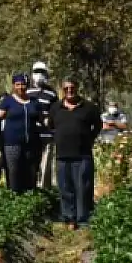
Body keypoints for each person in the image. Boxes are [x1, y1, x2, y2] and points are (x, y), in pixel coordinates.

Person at [48, 76, 103, 229]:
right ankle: (69, 217)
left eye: (72, 87)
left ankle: (83, 218)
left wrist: (89, 139)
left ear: (77, 88)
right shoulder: (55, 108)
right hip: (62, 154)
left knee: (83, 186)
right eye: (66, 88)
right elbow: (51, 126)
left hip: (83, 154)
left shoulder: (89, 107)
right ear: (62, 90)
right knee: (65, 187)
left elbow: (98, 126)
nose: (70, 91)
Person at [0, 73, 41, 193]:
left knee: (30, 173)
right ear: (13, 86)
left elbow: (41, 118)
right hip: (12, 144)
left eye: (23, 84)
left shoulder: (34, 102)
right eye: (18, 84)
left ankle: (30, 201)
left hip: (31, 144)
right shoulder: (8, 101)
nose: (21, 87)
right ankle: (14, 201)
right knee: (14, 173)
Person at [28, 61, 59, 188]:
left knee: (46, 166)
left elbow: (55, 112)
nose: (39, 75)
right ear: (32, 73)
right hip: (31, 135)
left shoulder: (51, 93)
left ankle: (45, 191)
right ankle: (31, 190)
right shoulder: (27, 91)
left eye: (42, 72)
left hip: (47, 135)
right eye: (37, 72)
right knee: (31, 165)